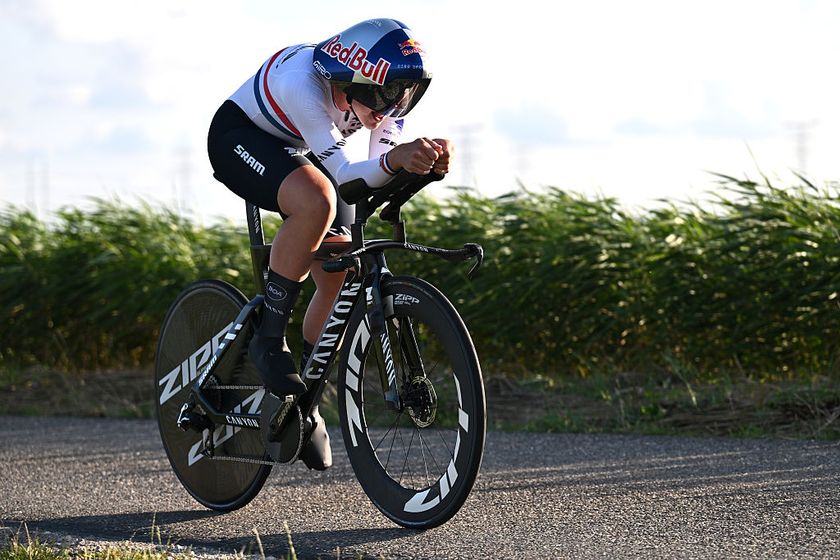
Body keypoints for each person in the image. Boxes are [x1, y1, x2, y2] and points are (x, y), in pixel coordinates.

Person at [206, 18, 453, 470]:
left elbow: (375, 168)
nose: (394, 107)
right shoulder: (304, 85)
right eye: (386, 94)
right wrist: (395, 160)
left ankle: (303, 401)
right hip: (241, 137)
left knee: (343, 271)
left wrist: (416, 162)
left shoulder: (382, 104)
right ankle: (268, 337)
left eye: (405, 93)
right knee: (317, 201)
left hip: (300, 150)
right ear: (351, 78)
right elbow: (343, 176)